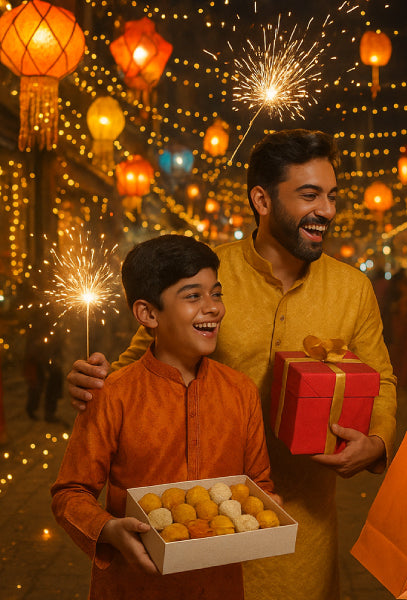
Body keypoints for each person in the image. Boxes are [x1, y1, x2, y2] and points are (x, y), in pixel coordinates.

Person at [65, 129, 397, 600]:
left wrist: (378, 442)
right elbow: (138, 361)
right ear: (262, 199)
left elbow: (380, 379)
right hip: (197, 528)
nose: (327, 210)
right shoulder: (208, 276)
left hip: (302, 525)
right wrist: (91, 381)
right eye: (309, 195)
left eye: (331, 195)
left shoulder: (352, 288)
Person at [51, 235, 276, 599]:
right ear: (148, 314)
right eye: (193, 296)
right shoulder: (113, 394)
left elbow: (259, 483)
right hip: (135, 584)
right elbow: (70, 493)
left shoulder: (241, 391)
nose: (213, 308)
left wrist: (268, 506)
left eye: (216, 294)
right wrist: (108, 530)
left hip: (218, 584)